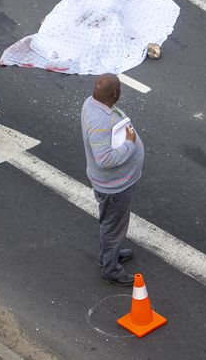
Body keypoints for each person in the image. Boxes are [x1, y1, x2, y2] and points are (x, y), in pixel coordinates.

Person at [81, 74, 144, 286]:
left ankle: (109, 255)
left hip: (116, 184)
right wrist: (129, 144)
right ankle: (110, 268)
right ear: (115, 93)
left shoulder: (92, 103)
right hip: (114, 188)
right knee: (113, 228)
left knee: (111, 225)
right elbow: (104, 159)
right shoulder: (100, 121)